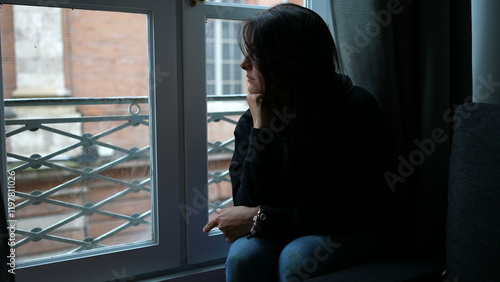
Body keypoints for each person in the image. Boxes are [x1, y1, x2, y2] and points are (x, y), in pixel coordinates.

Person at [203, 3, 390, 281]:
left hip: (346, 228)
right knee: (244, 256)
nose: (244, 64)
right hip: (282, 224)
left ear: (289, 60)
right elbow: (246, 201)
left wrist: (261, 217)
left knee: (298, 257)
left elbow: (346, 211)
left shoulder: (355, 109)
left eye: (256, 56)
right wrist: (260, 130)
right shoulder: (256, 116)